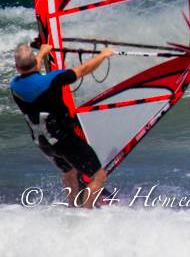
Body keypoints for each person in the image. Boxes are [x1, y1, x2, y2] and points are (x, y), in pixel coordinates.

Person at [10, 42, 113, 209]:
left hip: (44, 143)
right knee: (98, 177)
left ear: (17, 67)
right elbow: (84, 69)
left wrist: (42, 53)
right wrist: (103, 55)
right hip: (64, 140)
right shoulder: (53, 79)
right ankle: (86, 214)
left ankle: (72, 208)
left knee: (69, 172)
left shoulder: (15, 85)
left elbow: (31, 71)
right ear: (34, 63)